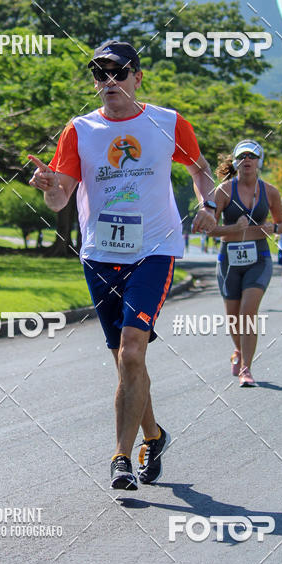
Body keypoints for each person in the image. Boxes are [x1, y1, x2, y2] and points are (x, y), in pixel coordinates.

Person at [29, 41, 249, 490]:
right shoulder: (79, 130)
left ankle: (120, 459)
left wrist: (207, 204)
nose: (108, 82)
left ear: (137, 77)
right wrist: (48, 186)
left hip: (154, 248)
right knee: (125, 362)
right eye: (99, 74)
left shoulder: (166, 123)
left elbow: (201, 170)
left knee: (132, 350)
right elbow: (60, 200)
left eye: (118, 72)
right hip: (100, 254)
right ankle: (154, 434)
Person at [208, 140, 282, 387]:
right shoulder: (223, 191)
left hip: (259, 258)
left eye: (252, 156)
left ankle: (246, 368)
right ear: (236, 162)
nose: (247, 161)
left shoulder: (270, 191)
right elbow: (210, 229)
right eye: (243, 157)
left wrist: (274, 227)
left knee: (247, 312)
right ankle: (238, 351)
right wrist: (233, 227)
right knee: (233, 319)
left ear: (258, 162)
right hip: (229, 259)